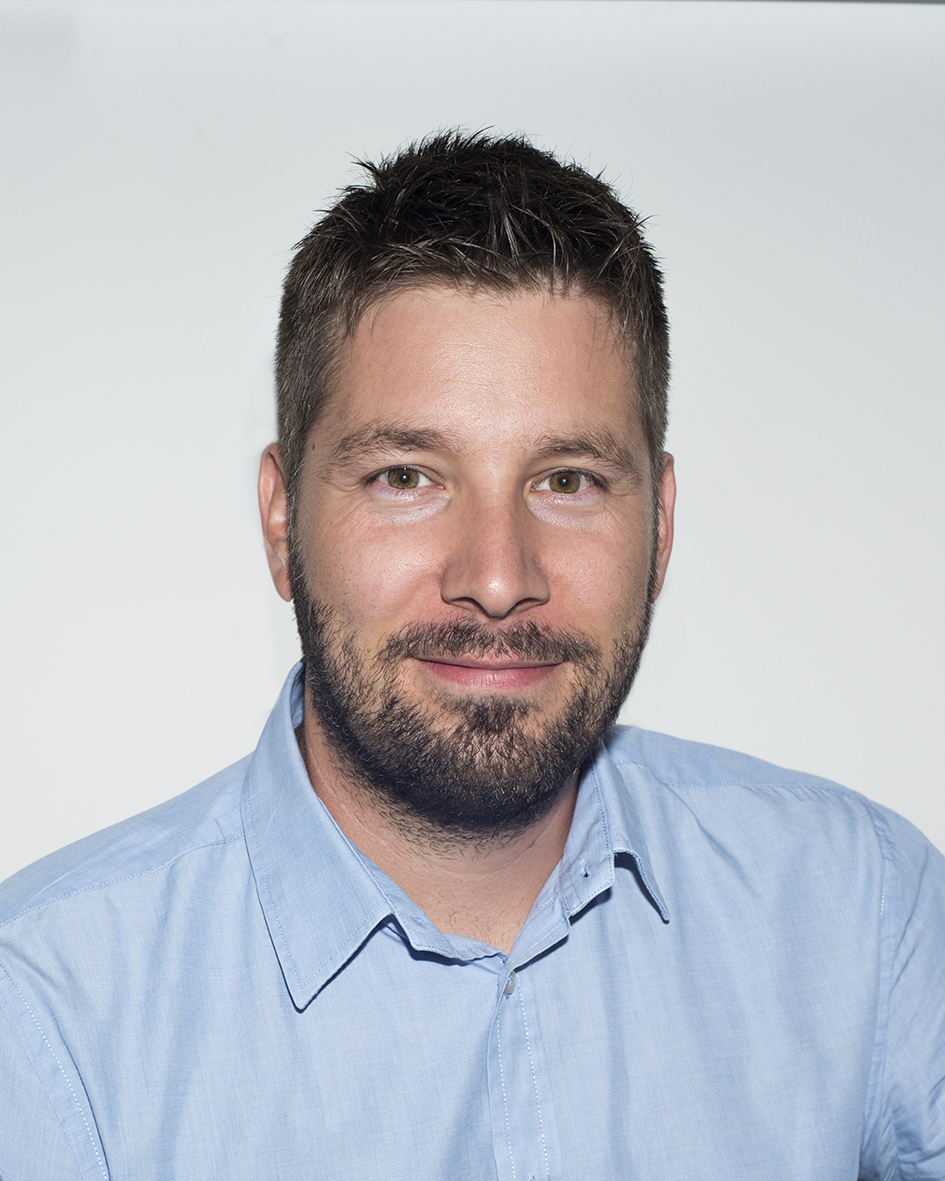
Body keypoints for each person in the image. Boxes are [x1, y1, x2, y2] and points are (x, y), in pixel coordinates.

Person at [1, 132, 942, 1181]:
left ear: (661, 524)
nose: (497, 578)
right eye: (406, 476)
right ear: (280, 519)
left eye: (568, 480)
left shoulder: (869, 911)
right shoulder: (45, 1015)